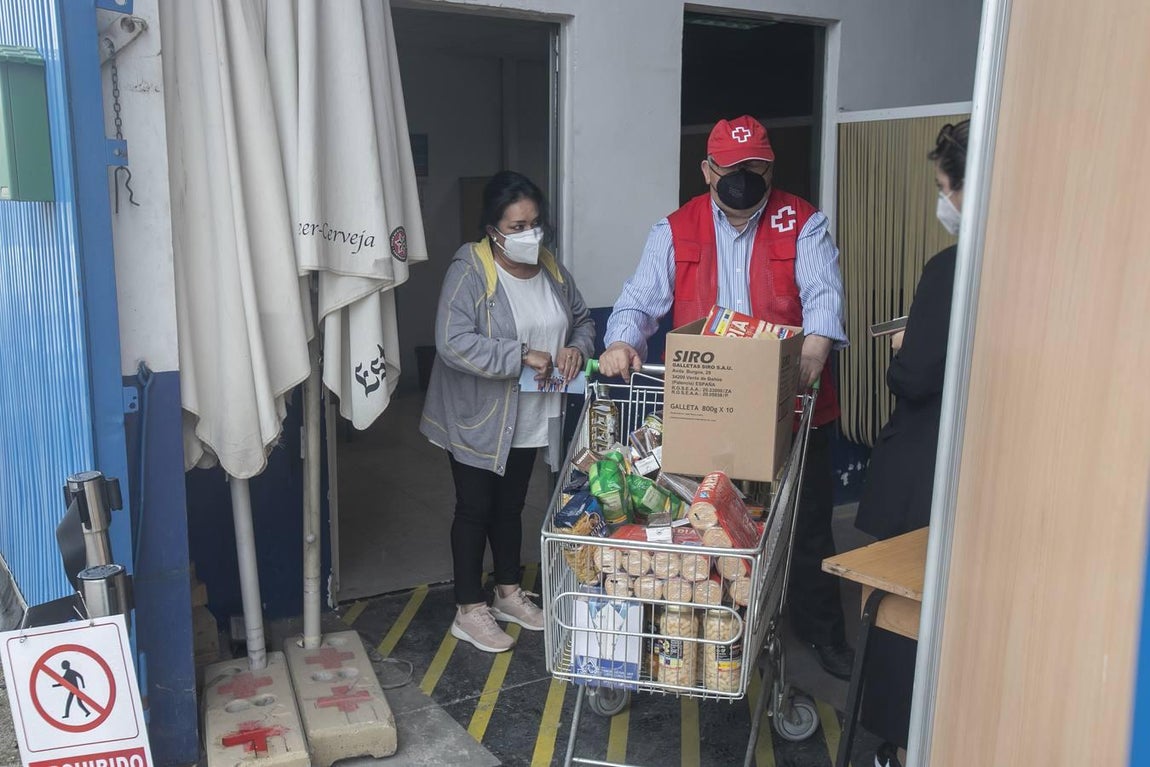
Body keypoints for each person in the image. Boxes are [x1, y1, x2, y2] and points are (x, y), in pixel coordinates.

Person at [598, 115, 854, 679]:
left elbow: (821, 296)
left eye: (756, 168)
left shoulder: (801, 221)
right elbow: (639, 300)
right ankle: (703, 636)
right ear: (708, 170)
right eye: (733, 170)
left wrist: (811, 354)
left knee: (803, 528)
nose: (746, 180)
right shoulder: (676, 229)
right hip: (708, 411)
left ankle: (822, 634)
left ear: (771, 167)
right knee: (703, 528)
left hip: (792, 410)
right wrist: (620, 342)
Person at [420, 170, 595, 654]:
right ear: (493, 229)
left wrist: (575, 349)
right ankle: (468, 608)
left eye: (534, 224)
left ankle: (507, 592)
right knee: (475, 508)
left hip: (534, 411)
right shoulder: (471, 269)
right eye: (517, 227)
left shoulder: (552, 269)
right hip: (479, 415)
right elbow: (452, 341)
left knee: (512, 506)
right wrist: (519, 354)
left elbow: (580, 320)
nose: (529, 235)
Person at [854, 120, 969, 767]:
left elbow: (917, 374)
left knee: (902, 613)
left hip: (925, 471)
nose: (941, 202)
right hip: (972, 472)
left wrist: (902, 349)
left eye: (941, 187)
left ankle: (902, 745)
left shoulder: (953, 267)